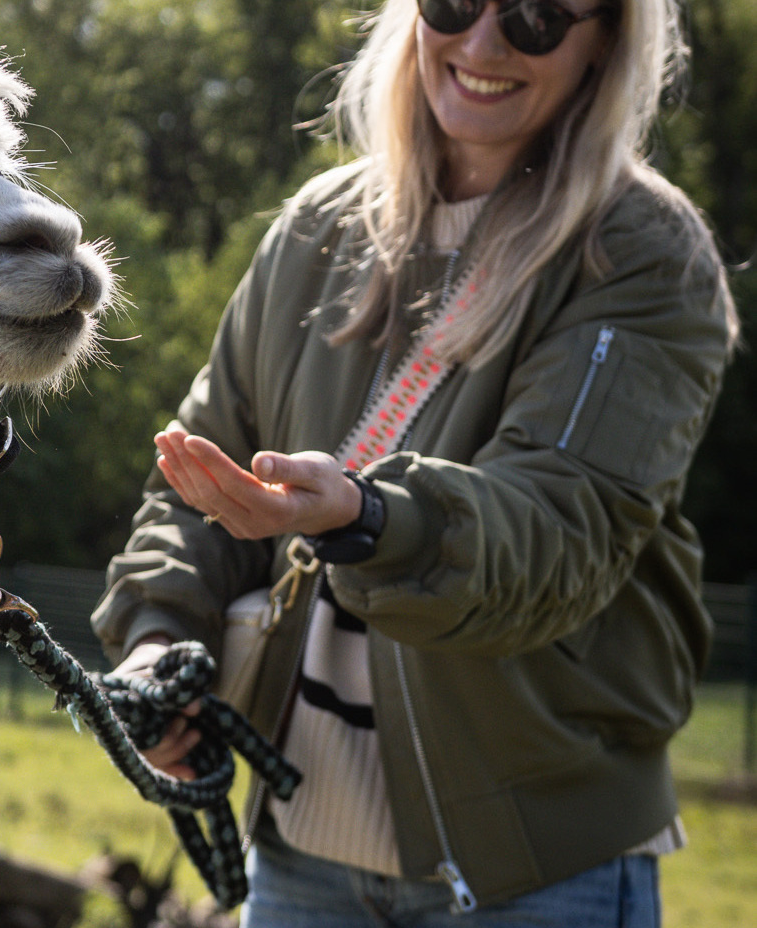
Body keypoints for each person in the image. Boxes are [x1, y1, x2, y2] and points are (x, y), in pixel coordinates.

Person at [91, 0, 741, 924]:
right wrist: (159, 645)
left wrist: (364, 517)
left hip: (539, 874)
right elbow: (194, 490)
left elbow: (561, 537)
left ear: (606, 40)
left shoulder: (641, 255)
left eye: (536, 17)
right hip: (300, 858)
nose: (481, 44)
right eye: (453, 4)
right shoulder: (317, 228)